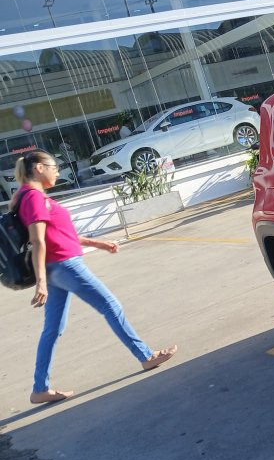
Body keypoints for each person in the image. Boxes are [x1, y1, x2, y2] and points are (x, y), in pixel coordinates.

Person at [12, 150, 177, 404]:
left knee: (53, 329)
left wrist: (98, 244)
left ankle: (39, 389)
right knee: (110, 305)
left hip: (58, 267)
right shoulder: (33, 198)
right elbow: (38, 240)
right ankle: (146, 356)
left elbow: (60, 234)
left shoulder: (29, 197)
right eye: (53, 165)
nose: (57, 170)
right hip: (64, 266)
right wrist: (41, 282)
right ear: (38, 168)